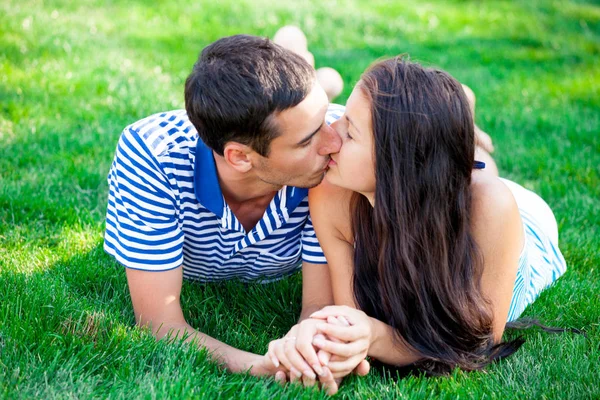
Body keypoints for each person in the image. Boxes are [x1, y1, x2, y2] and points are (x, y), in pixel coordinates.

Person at [267, 57, 567, 386]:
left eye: (349, 131)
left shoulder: (492, 208)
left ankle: (464, 122)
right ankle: (457, 117)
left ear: (394, 161)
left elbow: (477, 342)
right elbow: (351, 315)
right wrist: (331, 343)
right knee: (455, 163)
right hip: (427, 188)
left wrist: (377, 337)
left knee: (479, 173)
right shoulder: (331, 191)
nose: (331, 137)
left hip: (524, 227)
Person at [102, 34, 350, 386]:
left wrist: (309, 344)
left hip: (275, 128)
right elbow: (159, 324)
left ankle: (303, 61)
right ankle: (301, 57)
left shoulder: (332, 155)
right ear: (239, 157)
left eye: (324, 122)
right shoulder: (152, 155)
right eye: (307, 140)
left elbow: (317, 306)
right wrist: (263, 365)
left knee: (318, 89)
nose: (334, 142)